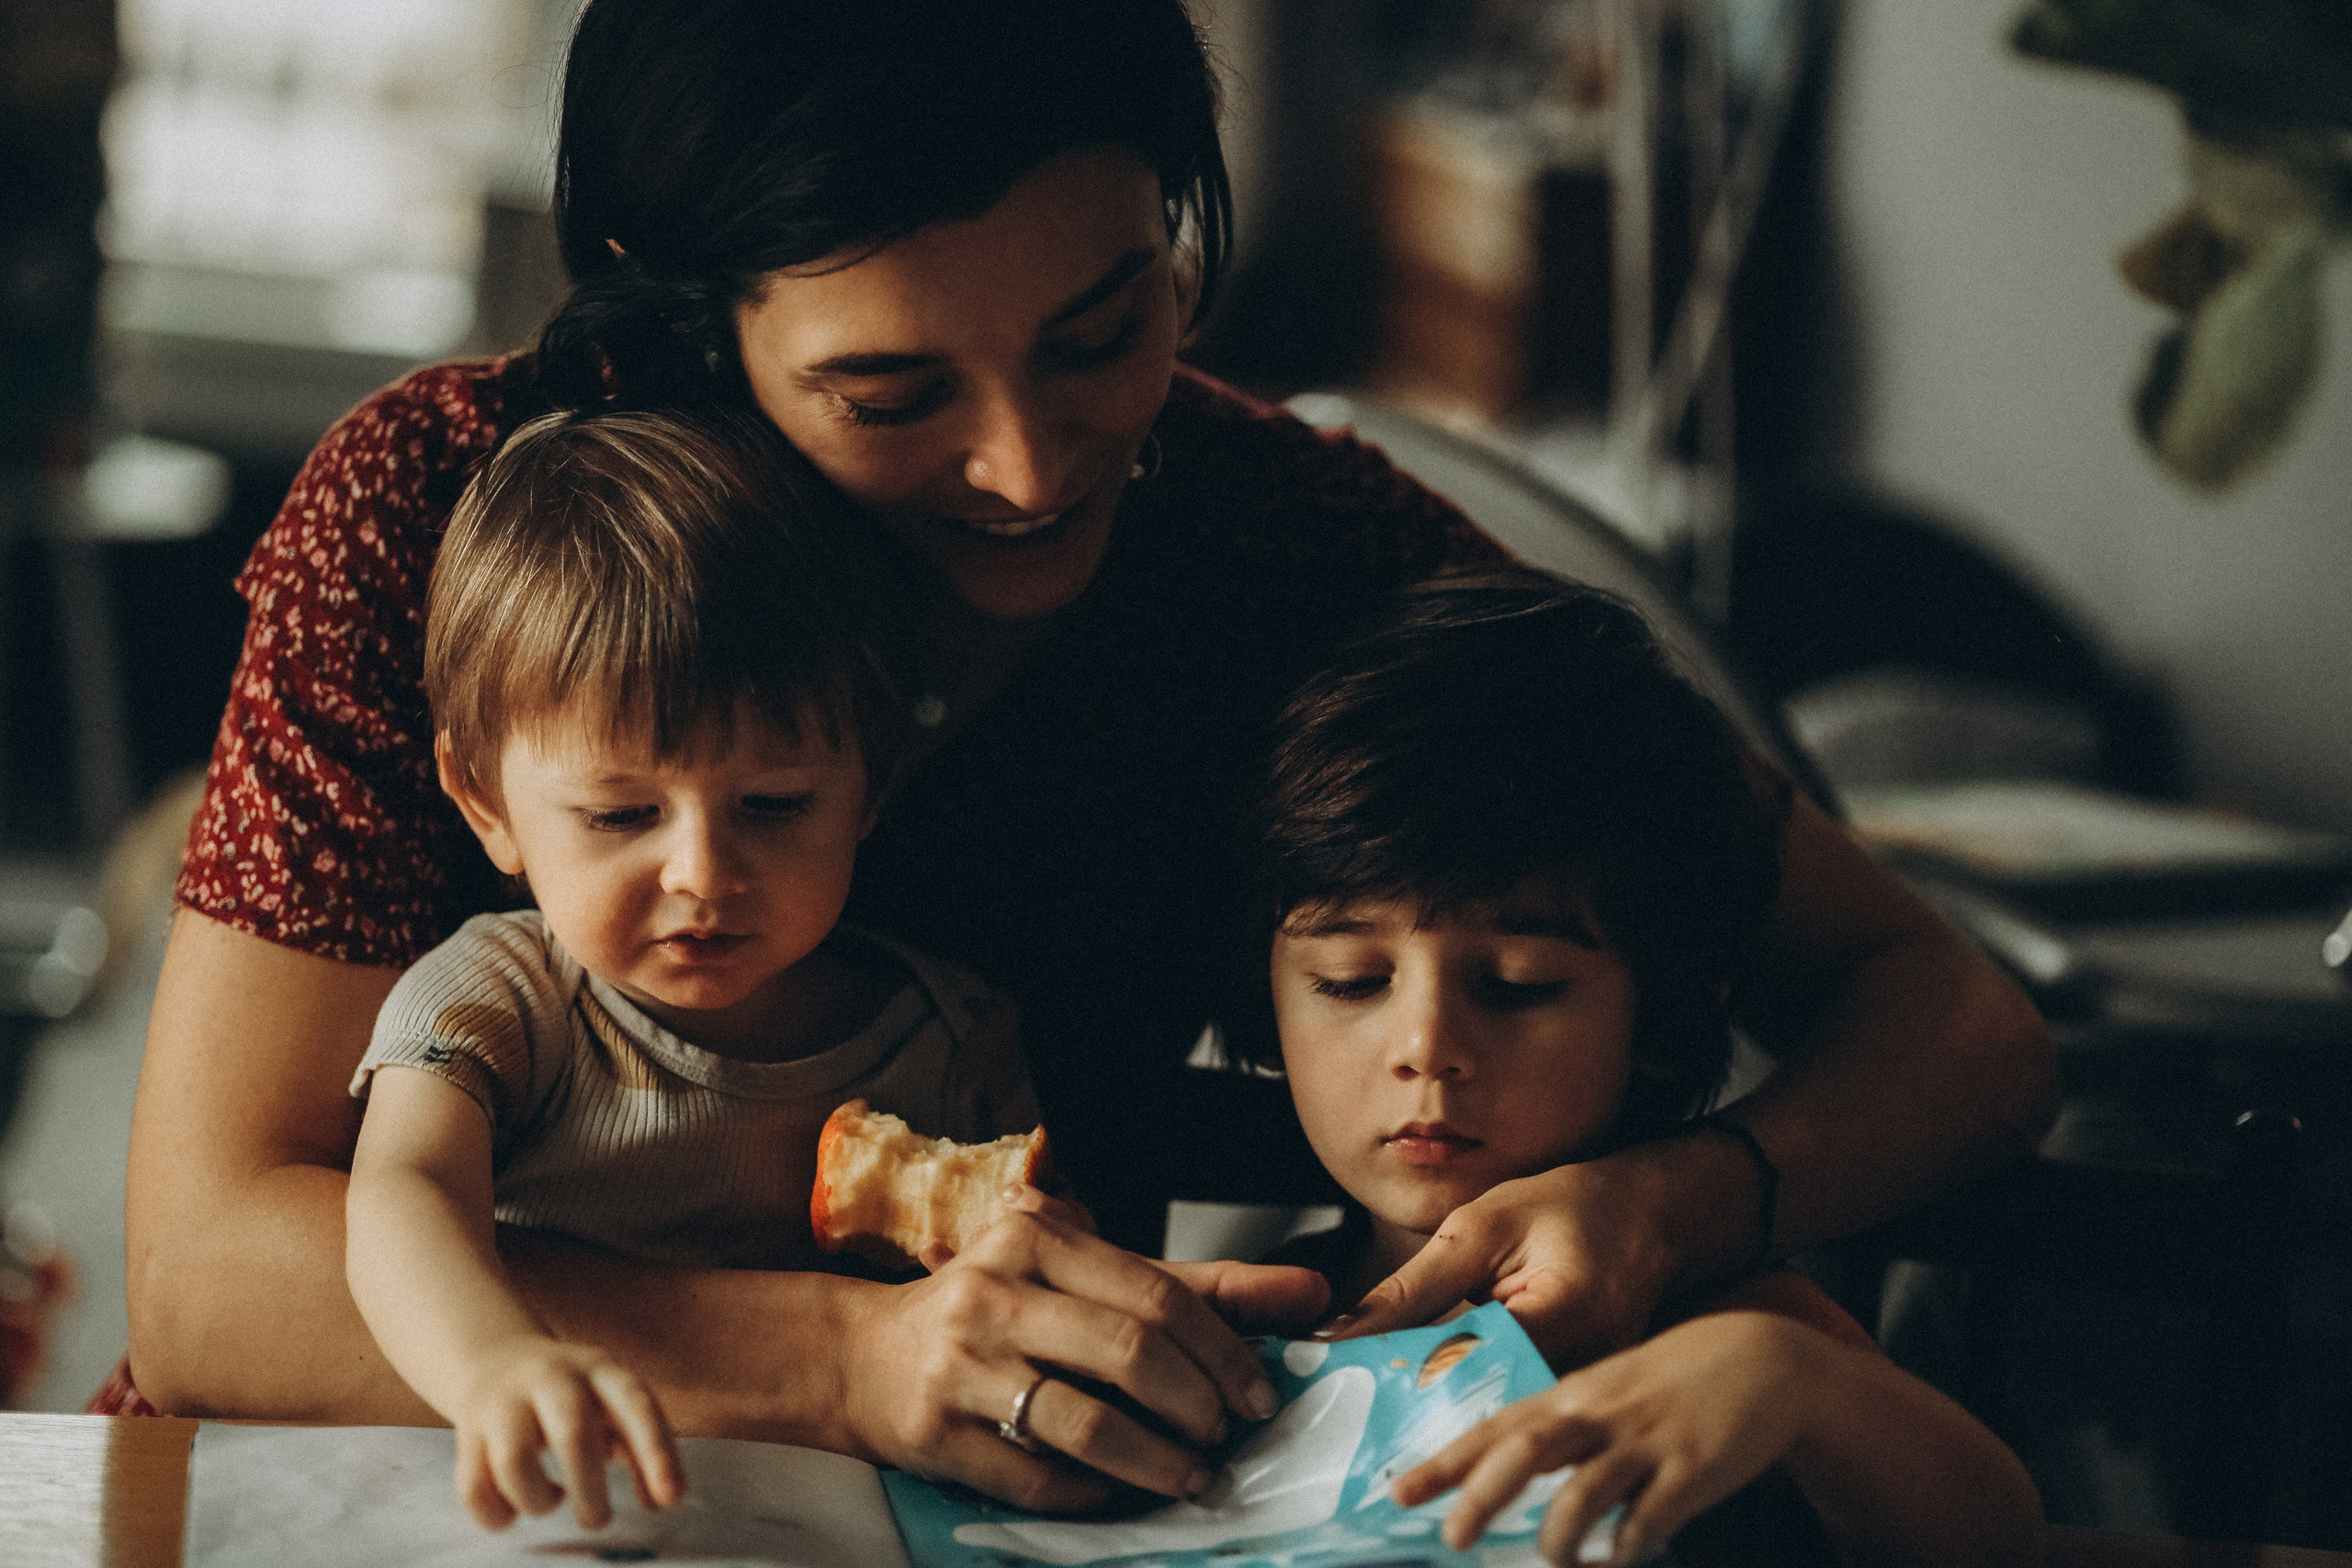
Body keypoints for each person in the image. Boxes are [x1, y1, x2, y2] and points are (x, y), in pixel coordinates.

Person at [118, 0, 2055, 1513]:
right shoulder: (463, 520)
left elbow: (1947, 1015)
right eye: (889, 392)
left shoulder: (1282, 546)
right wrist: (838, 1358)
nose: (1036, 471)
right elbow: (209, 1276)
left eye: (1104, 329)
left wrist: (1678, 1202)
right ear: (678, 306)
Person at [1253, 572, 2044, 1566]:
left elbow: (1996, 1541)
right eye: (1351, 980)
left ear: (1666, 1010)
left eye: (1516, 985)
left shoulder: (1730, 1337)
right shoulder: (1264, 1314)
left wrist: (1794, 1381)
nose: (1423, 1047)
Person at [341, 407, 1038, 1529]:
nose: (705, 873)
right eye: (621, 815)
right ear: (486, 806)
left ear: (870, 786)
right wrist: (492, 1366)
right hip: (531, 1509)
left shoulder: (947, 1038)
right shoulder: (501, 999)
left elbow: (1015, 1273)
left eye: (774, 806)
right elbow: (403, 1192)